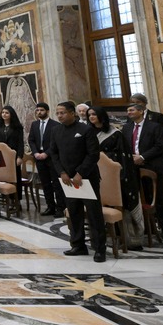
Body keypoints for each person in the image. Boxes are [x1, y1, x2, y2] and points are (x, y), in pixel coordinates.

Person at [50, 101, 106, 262]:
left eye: (62, 113)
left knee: (94, 214)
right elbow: (53, 153)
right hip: (67, 179)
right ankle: (78, 244)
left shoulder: (86, 130)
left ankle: (99, 248)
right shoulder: (56, 130)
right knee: (74, 213)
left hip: (87, 179)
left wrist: (80, 173)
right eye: (58, 113)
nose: (59, 115)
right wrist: (62, 172)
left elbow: (93, 154)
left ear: (72, 113)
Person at [89, 106, 144, 250]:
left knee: (122, 203)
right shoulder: (89, 133)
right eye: (90, 115)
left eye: (94, 114)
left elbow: (123, 156)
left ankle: (128, 238)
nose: (91, 117)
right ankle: (104, 236)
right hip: (96, 174)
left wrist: (106, 159)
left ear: (101, 115)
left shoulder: (115, 134)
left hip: (116, 176)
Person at [122, 102, 163, 239]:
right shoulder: (126, 128)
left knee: (157, 197)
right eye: (128, 110)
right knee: (137, 196)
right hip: (133, 167)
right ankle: (144, 227)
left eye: (131, 110)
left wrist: (142, 157)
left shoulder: (154, 127)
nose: (129, 113)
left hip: (152, 165)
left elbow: (159, 146)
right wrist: (131, 157)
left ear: (141, 111)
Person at [29, 102, 65, 217]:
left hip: (51, 158)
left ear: (47, 111)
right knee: (45, 184)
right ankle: (50, 206)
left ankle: (60, 207)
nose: (39, 112)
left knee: (56, 184)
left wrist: (46, 153)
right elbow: (31, 140)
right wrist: (35, 152)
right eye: (38, 110)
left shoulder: (55, 125)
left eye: (42, 110)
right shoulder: (34, 124)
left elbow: (56, 143)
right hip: (39, 158)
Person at [0, 105, 25, 191]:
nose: (4, 114)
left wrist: (20, 156)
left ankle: (16, 197)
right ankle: (6, 195)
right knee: (3, 175)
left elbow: (20, 142)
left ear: (11, 114)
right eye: (3, 112)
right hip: (1, 155)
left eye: (7, 113)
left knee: (15, 175)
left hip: (13, 155)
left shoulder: (17, 127)